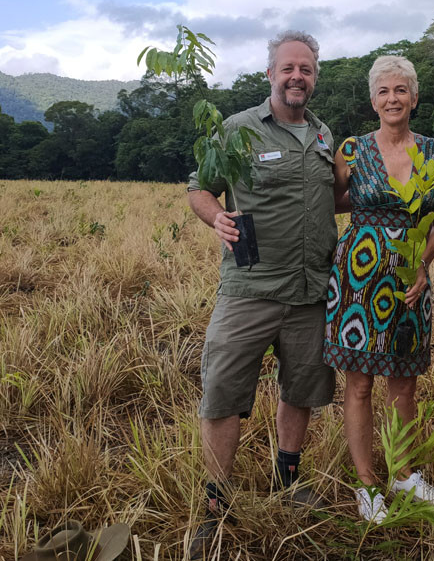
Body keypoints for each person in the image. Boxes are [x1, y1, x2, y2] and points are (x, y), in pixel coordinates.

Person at [187, 31, 338, 558]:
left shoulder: (324, 136)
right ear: (270, 73)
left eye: (307, 69)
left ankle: (288, 479)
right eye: (288, 67)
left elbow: (334, 197)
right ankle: (216, 502)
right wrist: (216, 218)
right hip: (249, 287)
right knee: (224, 390)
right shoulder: (237, 129)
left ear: (315, 77)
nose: (298, 76)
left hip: (309, 289)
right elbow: (199, 187)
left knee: (301, 388)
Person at [323, 55, 434, 523]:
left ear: (414, 98)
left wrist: (422, 264)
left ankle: (403, 474)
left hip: (410, 280)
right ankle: (367, 484)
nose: (392, 99)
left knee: (404, 385)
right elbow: (329, 199)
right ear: (372, 100)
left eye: (401, 90)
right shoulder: (353, 150)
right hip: (357, 278)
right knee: (358, 385)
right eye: (384, 91)